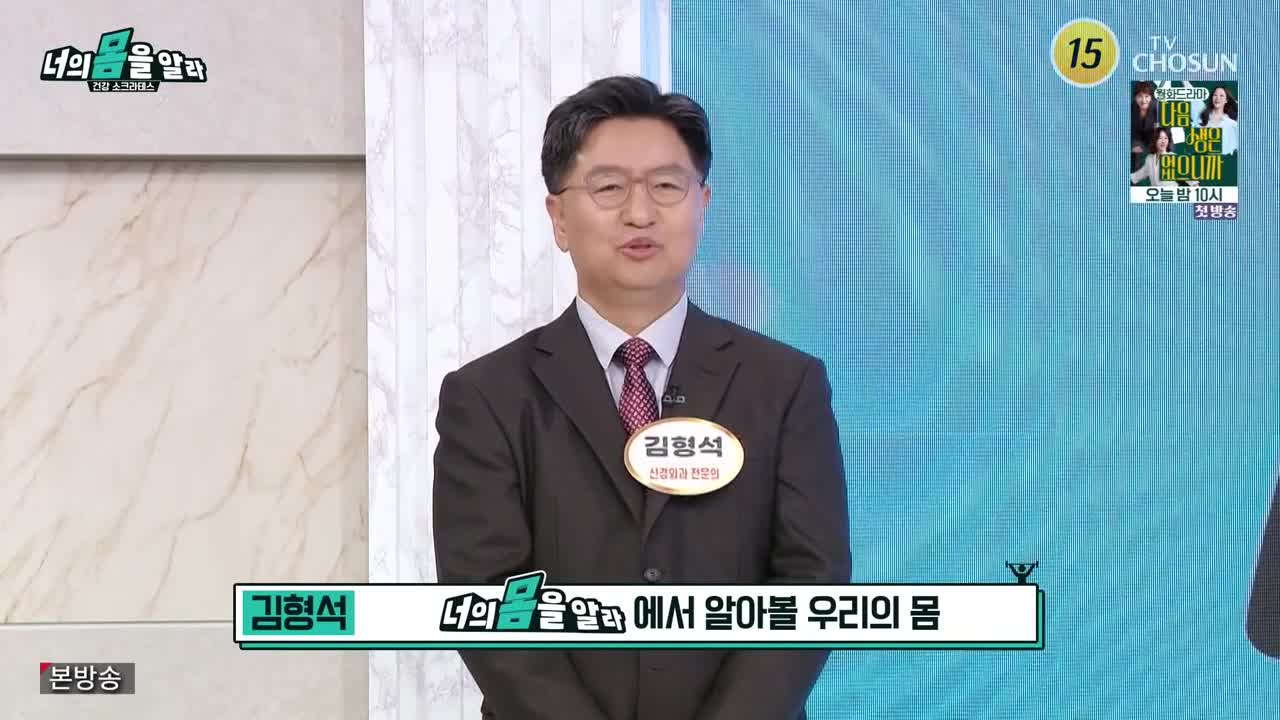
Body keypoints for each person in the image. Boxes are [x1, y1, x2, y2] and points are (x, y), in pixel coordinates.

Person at [432, 75, 852, 719]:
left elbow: (810, 584)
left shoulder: (786, 386)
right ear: (558, 217)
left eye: (666, 186)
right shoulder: (487, 397)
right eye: (608, 188)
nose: (640, 213)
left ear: (702, 204)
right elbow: (487, 599)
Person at [1130, 126, 1197, 188]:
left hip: (1171, 194)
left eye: (1165, 138)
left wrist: (1195, 186)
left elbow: (1189, 177)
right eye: (1160, 138)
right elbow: (1138, 175)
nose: (1163, 141)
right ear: (1155, 140)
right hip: (1156, 195)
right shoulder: (1149, 159)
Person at [1131, 81, 1161, 173]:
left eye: (1147, 96)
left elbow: (1164, 128)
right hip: (1136, 138)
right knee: (1135, 159)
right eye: (1140, 96)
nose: (1143, 100)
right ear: (1135, 97)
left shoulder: (1157, 107)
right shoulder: (1130, 109)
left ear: (1151, 97)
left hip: (1152, 136)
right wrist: (1131, 146)